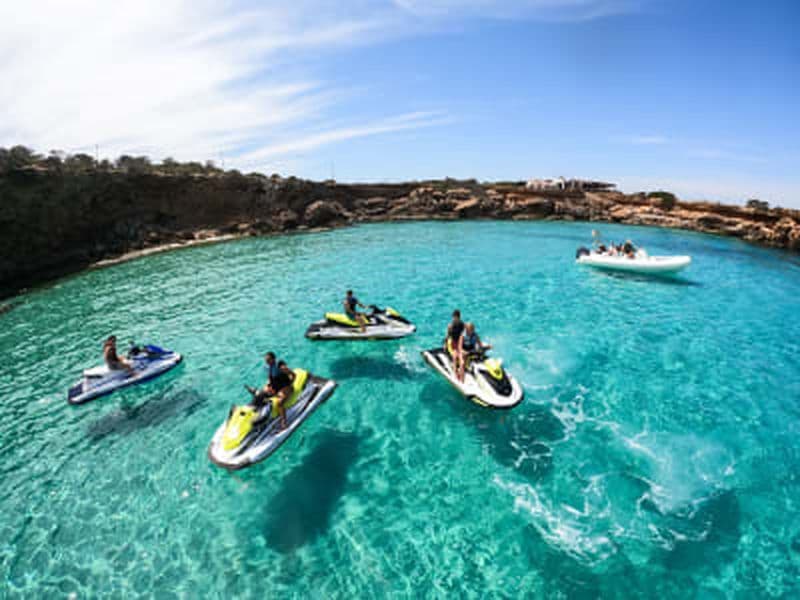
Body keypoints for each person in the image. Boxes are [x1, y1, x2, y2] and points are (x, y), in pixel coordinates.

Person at [261, 352, 296, 430]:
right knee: (261, 394)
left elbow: (293, 375)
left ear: (274, 359)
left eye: (268, 360)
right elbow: (270, 378)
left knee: (279, 403)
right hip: (275, 387)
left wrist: (289, 385)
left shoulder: (281, 367)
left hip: (285, 387)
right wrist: (268, 385)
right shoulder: (268, 367)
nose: (267, 362)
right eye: (266, 360)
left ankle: (284, 422)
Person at [444, 309, 466, 382]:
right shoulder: (450, 326)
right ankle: (455, 375)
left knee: (462, 361)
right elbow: (447, 336)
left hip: (460, 343)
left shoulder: (462, 325)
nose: (455, 318)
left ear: (459, 317)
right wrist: (445, 345)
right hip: (453, 343)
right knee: (455, 357)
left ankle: (462, 377)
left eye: (457, 317)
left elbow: (464, 335)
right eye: (455, 317)